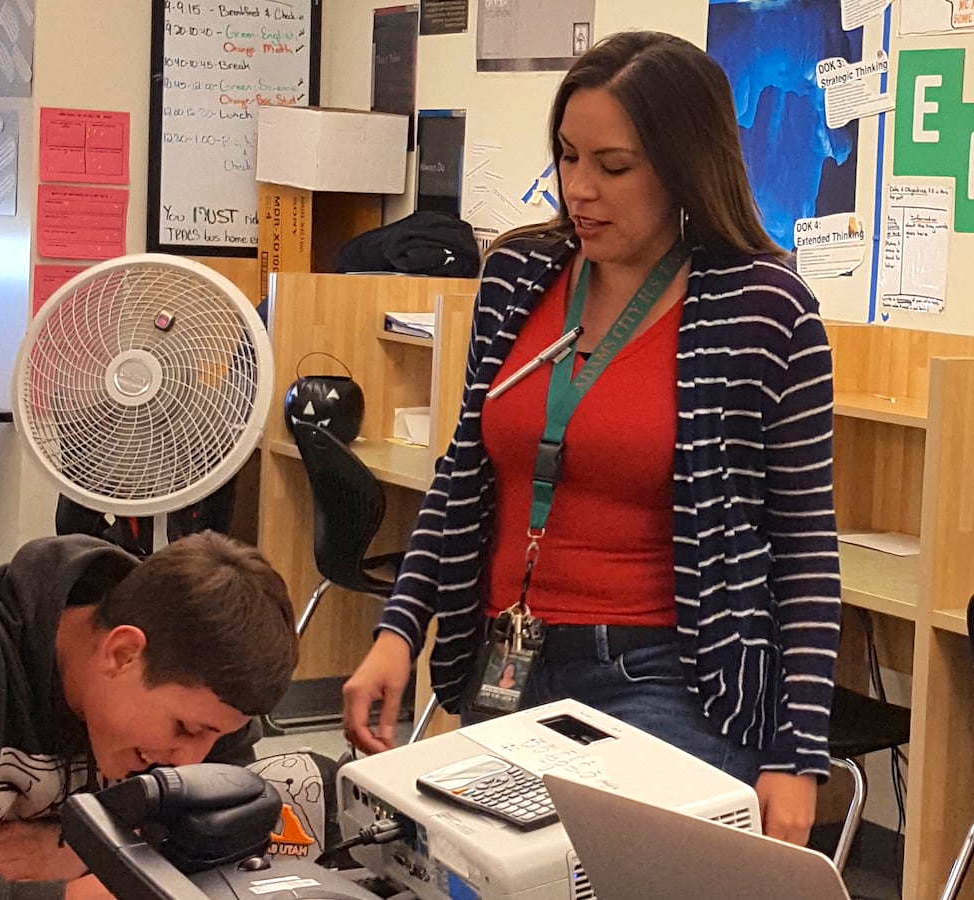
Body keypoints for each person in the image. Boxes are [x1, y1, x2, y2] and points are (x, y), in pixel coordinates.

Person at [342, 30, 841, 845]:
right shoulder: (517, 277)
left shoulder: (764, 310)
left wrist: (798, 756)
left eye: (614, 167)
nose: (580, 190)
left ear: (683, 166)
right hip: (510, 658)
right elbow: (465, 469)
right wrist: (400, 627)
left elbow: (806, 553)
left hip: (670, 678)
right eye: (568, 157)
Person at [0, 532, 299, 899]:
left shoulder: (201, 685)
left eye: (214, 737)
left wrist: (80, 849)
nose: (191, 760)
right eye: (185, 730)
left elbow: (225, 830)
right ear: (123, 653)